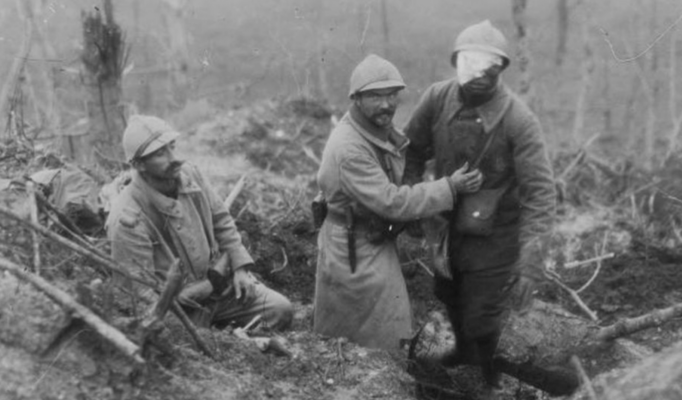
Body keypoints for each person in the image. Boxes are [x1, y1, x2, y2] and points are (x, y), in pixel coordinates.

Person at [403, 20, 557, 391]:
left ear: (501, 69)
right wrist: (411, 199)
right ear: (457, 62)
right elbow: (410, 150)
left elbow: (540, 194)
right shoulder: (437, 99)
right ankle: (463, 355)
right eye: (469, 63)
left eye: (488, 66)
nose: (478, 74)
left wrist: (531, 266)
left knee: (481, 316)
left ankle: (487, 381)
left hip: (496, 237)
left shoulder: (519, 120)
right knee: (450, 295)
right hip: (446, 227)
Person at [313, 54, 483, 350]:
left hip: (369, 237)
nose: (386, 104)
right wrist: (449, 188)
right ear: (356, 99)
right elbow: (391, 202)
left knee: (384, 325)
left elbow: (401, 157)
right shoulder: (349, 147)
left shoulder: (375, 129)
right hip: (352, 246)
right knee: (357, 335)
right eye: (376, 96)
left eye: (392, 95)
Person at [106, 115, 293, 331]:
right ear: (139, 164)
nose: (174, 158)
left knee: (279, 310)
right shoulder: (128, 220)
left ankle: (235, 335)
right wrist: (181, 307)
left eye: (172, 147)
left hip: (220, 289)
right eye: (160, 153)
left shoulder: (189, 174)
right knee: (188, 342)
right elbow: (138, 295)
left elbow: (221, 220)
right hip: (177, 310)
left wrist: (240, 268)